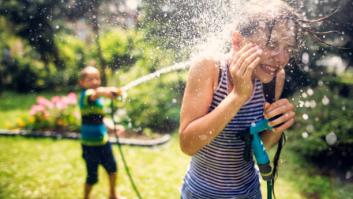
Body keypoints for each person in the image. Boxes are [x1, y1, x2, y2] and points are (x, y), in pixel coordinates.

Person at [179, 0, 299, 198]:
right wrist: (237, 96)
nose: (281, 59)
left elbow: (259, 146)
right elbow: (188, 145)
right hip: (201, 193)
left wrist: (277, 127)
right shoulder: (210, 69)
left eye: (288, 48)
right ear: (237, 41)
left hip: (249, 192)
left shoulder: (275, 78)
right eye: (272, 44)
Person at [79, 66, 125, 199]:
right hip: (89, 145)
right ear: (82, 82)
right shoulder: (85, 96)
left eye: (97, 78)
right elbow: (96, 93)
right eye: (90, 79)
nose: (94, 81)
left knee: (112, 169)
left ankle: (112, 194)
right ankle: (86, 197)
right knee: (92, 176)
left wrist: (113, 127)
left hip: (103, 142)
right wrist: (107, 91)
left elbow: (101, 119)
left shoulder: (98, 101)